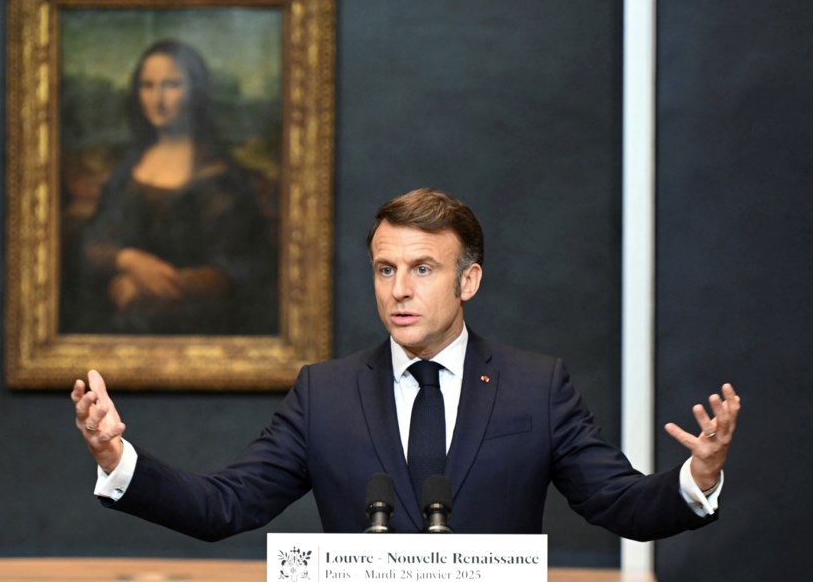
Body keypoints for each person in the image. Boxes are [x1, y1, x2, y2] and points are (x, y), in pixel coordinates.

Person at [72, 188, 741, 539]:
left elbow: (621, 505)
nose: (400, 289)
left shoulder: (536, 389)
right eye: (386, 269)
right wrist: (117, 459)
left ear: (468, 281)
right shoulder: (323, 395)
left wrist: (696, 476)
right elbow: (225, 506)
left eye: (423, 269)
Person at [68, 38, 276, 335]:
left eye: (171, 85)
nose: (158, 99)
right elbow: (92, 242)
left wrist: (155, 285)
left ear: (196, 91)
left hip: (200, 332)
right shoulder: (128, 170)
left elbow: (241, 270)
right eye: (148, 86)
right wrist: (128, 260)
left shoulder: (222, 180)